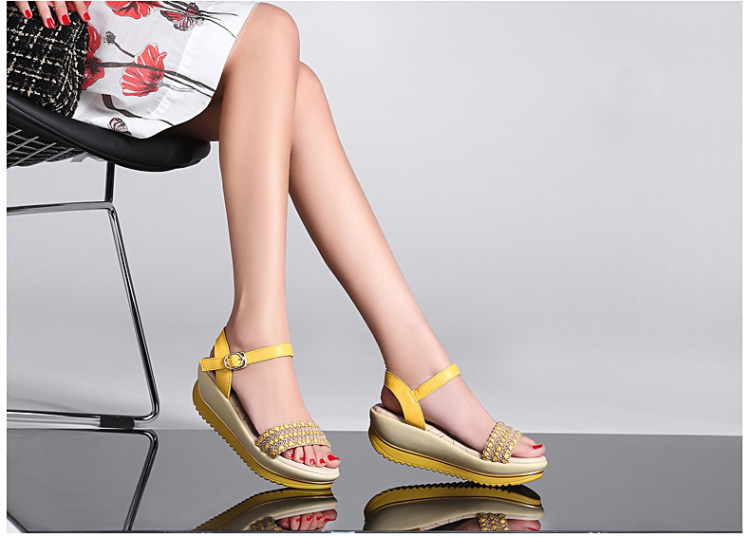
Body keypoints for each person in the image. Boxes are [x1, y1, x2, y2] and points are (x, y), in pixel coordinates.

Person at [15, 1, 547, 489]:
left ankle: (419, 368)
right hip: (27, 44)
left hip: (68, 36)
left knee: (294, 88)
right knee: (268, 32)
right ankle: (257, 343)